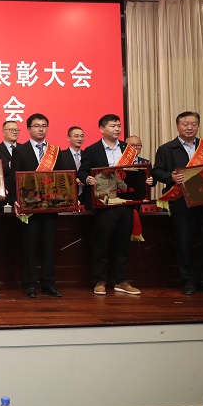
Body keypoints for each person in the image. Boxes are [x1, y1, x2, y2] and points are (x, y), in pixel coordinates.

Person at [152, 111, 203, 297]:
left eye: (193, 124)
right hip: (181, 204)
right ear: (177, 126)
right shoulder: (166, 149)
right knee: (183, 243)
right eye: (185, 124)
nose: (189, 127)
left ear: (198, 126)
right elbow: (156, 171)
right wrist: (170, 177)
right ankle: (188, 281)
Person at [79, 114, 150, 296]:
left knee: (123, 244)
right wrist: (87, 179)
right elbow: (82, 171)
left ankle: (121, 281)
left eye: (118, 125)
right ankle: (100, 281)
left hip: (125, 203)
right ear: (102, 129)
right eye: (112, 126)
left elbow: (136, 173)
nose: (117, 129)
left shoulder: (128, 149)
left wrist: (146, 180)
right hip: (104, 205)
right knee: (102, 243)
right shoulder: (92, 150)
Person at [10, 113, 73, 298]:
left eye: (44, 126)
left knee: (49, 246)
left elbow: (62, 177)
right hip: (29, 208)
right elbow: (13, 178)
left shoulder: (56, 151)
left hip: (51, 207)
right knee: (29, 247)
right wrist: (15, 199)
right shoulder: (20, 151)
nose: (40, 129)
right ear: (28, 129)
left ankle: (48, 283)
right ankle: (30, 284)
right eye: (37, 126)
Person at [58, 126, 87, 208]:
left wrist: (85, 179)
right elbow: (60, 176)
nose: (80, 139)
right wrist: (74, 180)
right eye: (76, 136)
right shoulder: (61, 155)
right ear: (68, 138)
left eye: (82, 136)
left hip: (86, 194)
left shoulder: (87, 154)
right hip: (68, 195)